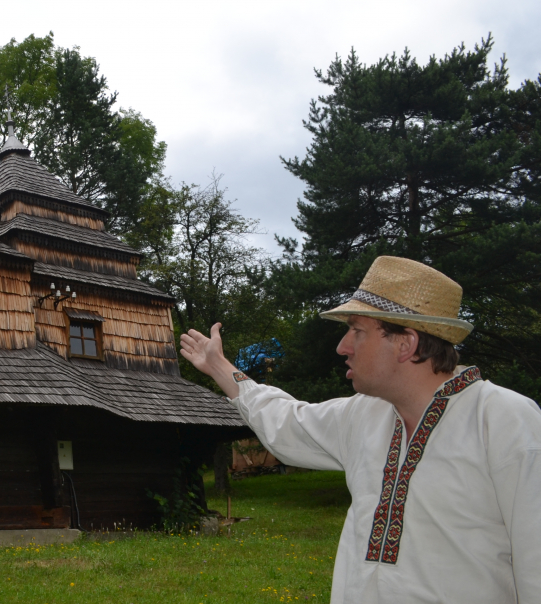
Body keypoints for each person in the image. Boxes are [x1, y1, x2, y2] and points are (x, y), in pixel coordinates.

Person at [180, 256, 541, 604]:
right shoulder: (365, 415)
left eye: (357, 331)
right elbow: (287, 422)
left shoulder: (504, 419)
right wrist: (219, 367)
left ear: (405, 343)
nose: (343, 347)